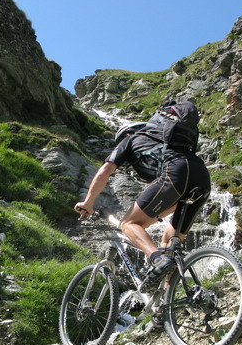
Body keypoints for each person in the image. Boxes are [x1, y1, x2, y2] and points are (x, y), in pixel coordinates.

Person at [74, 102, 211, 289]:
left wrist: (88, 203)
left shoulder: (130, 139)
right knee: (169, 243)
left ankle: (157, 259)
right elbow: (169, 203)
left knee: (128, 224)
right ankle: (167, 296)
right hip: (202, 176)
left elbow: (105, 171)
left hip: (177, 172)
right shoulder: (164, 142)